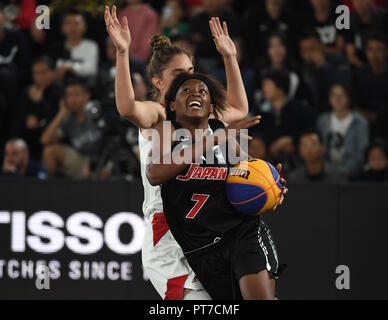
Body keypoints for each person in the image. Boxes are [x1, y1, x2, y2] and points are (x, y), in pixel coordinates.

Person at [105, 5, 251, 300]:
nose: (188, 79)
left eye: (191, 71)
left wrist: (229, 57)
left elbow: (240, 110)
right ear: (158, 83)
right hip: (168, 232)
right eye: (178, 74)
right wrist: (123, 53)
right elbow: (127, 107)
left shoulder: (204, 116)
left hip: (206, 228)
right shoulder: (159, 114)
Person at [146, 72, 287, 300]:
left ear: (211, 106)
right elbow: (154, 173)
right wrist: (214, 139)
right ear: (172, 105)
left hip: (241, 233)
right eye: (187, 90)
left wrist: (273, 187)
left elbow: (248, 171)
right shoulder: (167, 131)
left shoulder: (222, 131)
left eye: (203, 91)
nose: (196, 94)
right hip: (201, 248)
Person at [253, 69, 315, 174]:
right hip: (267, 166)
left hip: (299, 165)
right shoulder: (260, 113)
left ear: (280, 88)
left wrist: (292, 140)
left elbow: (310, 133)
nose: (263, 89)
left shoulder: (300, 110)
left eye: (267, 85)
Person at [40, 80, 103, 179]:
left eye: (77, 94)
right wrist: (61, 113)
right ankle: (48, 190)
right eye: (69, 95)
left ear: (87, 96)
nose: (73, 99)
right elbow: (45, 140)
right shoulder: (68, 120)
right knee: (49, 151)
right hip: (82, 161)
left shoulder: (97, 110)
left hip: (104, 159)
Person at [317, 83, 369, 177]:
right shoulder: (322, 120)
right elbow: (320, 148)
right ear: (329, 98)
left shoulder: (360, 122)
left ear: (349, 98)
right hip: (325, 172)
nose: (337, 99)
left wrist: (345, 171)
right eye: (334, 95)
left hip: (351, 173)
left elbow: (361, 152)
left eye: (341, 95)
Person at [19, 56, 62, 160]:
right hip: (30, 137)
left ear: (52, 72)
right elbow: (18, 116)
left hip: (51, 137)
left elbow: (57, 117)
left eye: (43, 72)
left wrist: (40, 102)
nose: (39, 76)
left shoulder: (59, 91)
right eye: (36, 73)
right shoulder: (27, 92)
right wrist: (27, 119)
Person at [299, 30, 351, 112]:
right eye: (304, 50)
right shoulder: (302, 68)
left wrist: (324, 66)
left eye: (312, 48)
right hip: (315, 112)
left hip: (339, 109)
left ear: (321, 45)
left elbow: (345, 85)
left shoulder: (338, 59)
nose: (309, 53)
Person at [49, 9, 99, 81]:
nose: (72, 28)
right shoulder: (56, 48)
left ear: (84, 27)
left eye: (76, 23)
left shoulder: (91, 46)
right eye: (68, 23)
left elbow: (91, 70)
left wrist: (68, 67)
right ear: (62, 28)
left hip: (85, 87)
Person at [352, 33, 388, 132]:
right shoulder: (359, 75)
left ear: (386, 51)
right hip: (363, 120)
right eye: (370, 49)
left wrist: (378, 116)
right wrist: (364, 114)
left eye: (379, 49)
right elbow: (353, 100)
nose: (374, 54)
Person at [344, 0, 387, 68]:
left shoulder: (384, 17)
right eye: (356, 1)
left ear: (371, 1)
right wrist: (366, 70)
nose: (359, 3)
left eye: (362, 0)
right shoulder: (350, 20)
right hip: (360, 66)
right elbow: (351, 55)